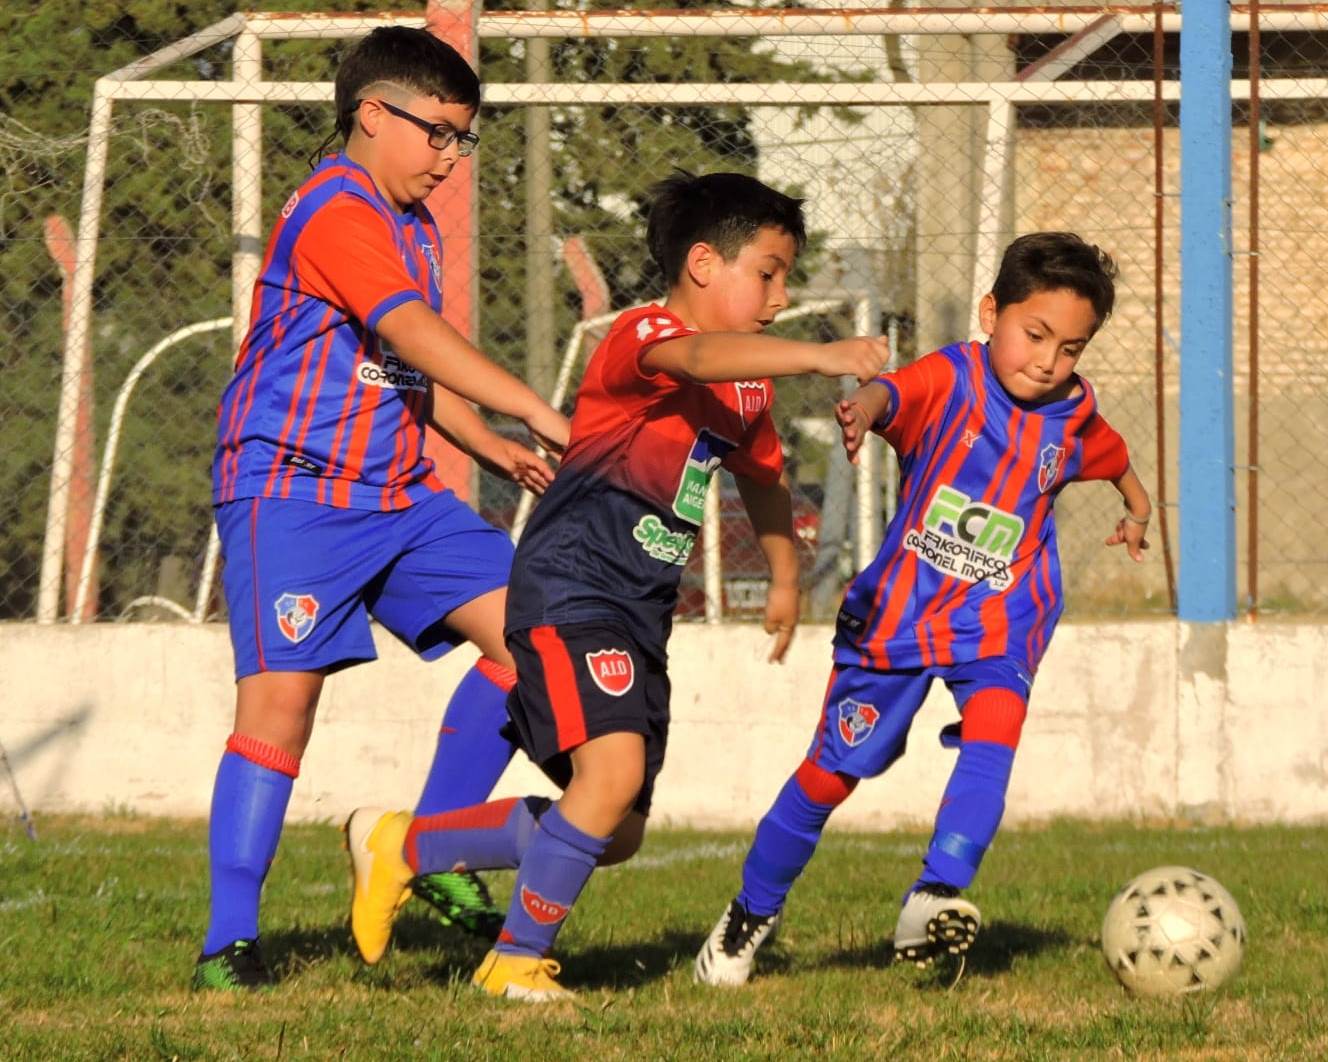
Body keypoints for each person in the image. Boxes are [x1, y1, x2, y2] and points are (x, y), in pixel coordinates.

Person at [342, 170, 889, 1002]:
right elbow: (700, 355)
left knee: (618, 825)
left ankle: (405, 846)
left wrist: (785, 574)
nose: (780, 296)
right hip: (573, 586)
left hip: (640, 610)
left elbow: (765, 480)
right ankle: (516, 961)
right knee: (610, 776)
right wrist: (822, 355)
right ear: (704, 262)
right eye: (769, 273)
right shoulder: (645, 333)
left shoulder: (745, 387)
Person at [193, 26, 569, 991]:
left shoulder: (408, 225)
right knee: (282, 704)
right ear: (372, 115)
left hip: (402, 496)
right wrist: (528, 404)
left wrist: (485, 445)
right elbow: (409, 329)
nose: (449, 158)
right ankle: (229, 942)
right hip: (293, 490)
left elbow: (396, 359)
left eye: (461, 139)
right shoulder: (333, 208)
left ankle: (423, 851)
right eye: (437, 134)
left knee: (535, 641)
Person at [694, 232, 1152, 986]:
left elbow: (1110, 454)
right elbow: (893, 394)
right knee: (828, 775)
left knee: (992, 740)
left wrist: (1136, 508)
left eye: (1069, 348)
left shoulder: (1071, 412)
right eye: (1034, 335)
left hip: (1005, 617)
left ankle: (936, 890)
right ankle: (750, 913)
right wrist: (863, 407)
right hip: (900, 620)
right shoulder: (952, 378)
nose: (1046, 360)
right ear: (990, 312)